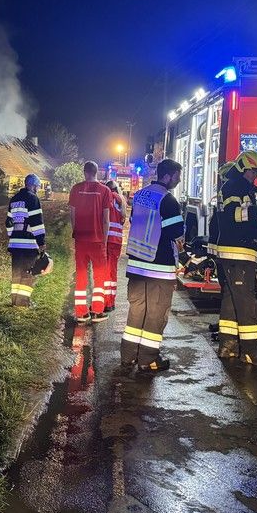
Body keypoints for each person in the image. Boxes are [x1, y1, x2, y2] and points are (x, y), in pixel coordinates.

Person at [122, 158, 185, 372]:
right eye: (177, 177)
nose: (177, 181)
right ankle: (148, 359)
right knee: (156, 315)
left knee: (137, 311)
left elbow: (135, 222)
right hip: (159, 267)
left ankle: (128, 355)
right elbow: (176, 232)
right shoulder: (168, 200)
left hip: (137, 264)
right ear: (167, 176)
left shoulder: (139, 195)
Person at [215, 151, 257, 365]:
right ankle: (251, 352)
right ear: (244, 168)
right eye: (253, 172)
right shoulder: (234, 187)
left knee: (231, 299)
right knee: (248, 302)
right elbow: (234, 215)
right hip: (239, 251)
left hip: (233, 251)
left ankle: (227, 345)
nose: (255, 176)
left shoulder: (235, 186)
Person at [69, 161, 112, 323]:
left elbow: (72, 215)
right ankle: (97, 312)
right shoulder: (104, 190)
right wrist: (105, 240)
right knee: (99, 276)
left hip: (81, 240)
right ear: (97, 172)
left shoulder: (76, 189)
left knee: (81, 275)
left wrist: (76, 231)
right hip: (98, 240)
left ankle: (81, 313)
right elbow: (106, 219)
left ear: (84, 172)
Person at [6, 174, 47, 307]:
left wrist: (12, 236)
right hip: (29, 244)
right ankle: (23, 303)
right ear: (33, 185)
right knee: (28, 273)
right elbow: (36, 223)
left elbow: (8, 223)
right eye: (37, 186)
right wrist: (41, 242)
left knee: (16, 273)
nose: (37, 189)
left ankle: (14, 301)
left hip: (15, 244)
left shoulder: (14, 199)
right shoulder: (33, 199)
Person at [104, 180, 125, 311]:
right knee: (112, 272)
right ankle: (111, 302)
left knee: (104, 271)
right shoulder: (121, 200)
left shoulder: (105, 197)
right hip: (116, 241)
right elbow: (123, 220)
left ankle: (105, 303)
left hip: (105, 240)